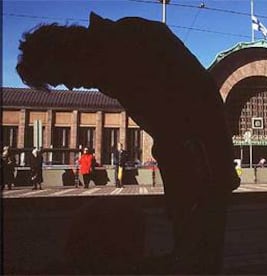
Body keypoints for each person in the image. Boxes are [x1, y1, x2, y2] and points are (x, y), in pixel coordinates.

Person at [16, 13, 240, 274]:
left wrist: (201, 169)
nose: (71, 84)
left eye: (61, 75)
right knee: (193, 248)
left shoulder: (126, 46)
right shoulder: (117, 49)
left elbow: (192, 108)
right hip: (192, 158)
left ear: (64, 53)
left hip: (198, 160)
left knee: (198, 250)